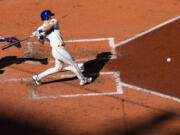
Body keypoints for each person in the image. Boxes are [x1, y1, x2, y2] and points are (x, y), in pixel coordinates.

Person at [32, 10, 92, 86]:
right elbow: (41, 42)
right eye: (50, 16)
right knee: (73, 63)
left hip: (60, 49)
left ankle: (37, 77)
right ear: (47, 17)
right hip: (58, 50)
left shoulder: (54, 21)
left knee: (58, 68)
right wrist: (40, 37)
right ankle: (84, 80)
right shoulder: (40, 28)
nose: (51, 17)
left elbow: (49, 27)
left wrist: (39, 31)